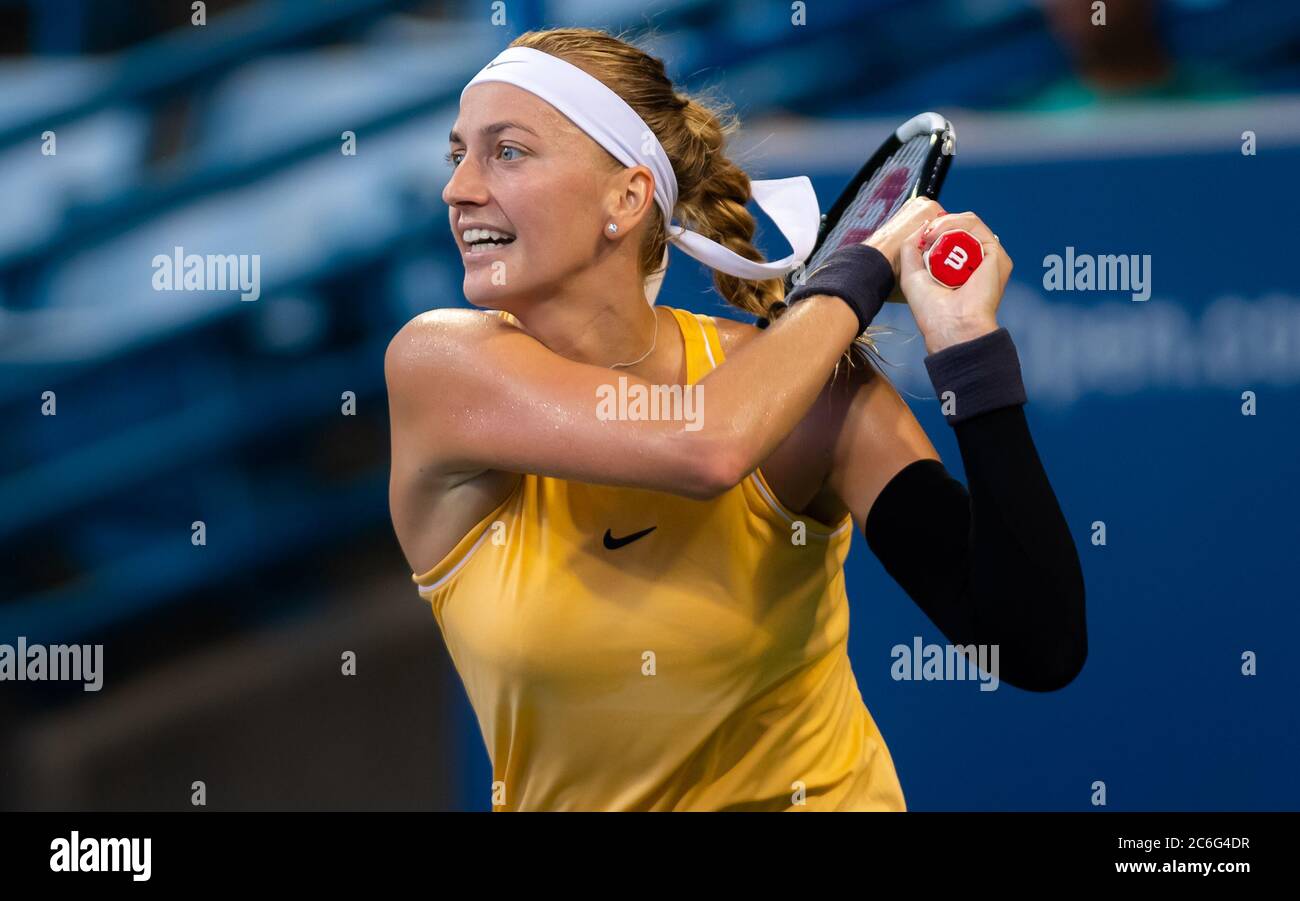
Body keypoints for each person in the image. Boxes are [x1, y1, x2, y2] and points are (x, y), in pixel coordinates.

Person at [385, 27, 1086, 811]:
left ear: (626, 197)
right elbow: (705, 443)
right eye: (458, 156)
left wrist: (967, 348)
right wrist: (853, 279)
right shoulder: (438, 366)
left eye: (506, 152)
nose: (459, 188)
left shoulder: (811, 395)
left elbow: (1033, 644)